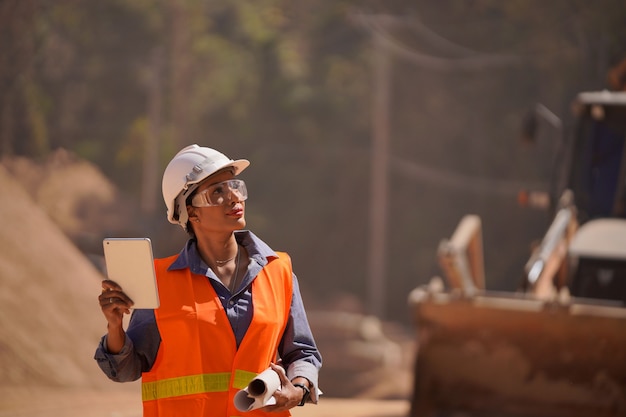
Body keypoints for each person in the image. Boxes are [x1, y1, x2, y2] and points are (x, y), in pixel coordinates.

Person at [94, 144, 322, 416]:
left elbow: (303, 353)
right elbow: (126, 369)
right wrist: (115, 326)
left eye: (235, 185)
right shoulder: (160, 281)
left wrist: (298, 389)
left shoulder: (278, 271)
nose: (234, 196)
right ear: (191, 212)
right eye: (217, 191)